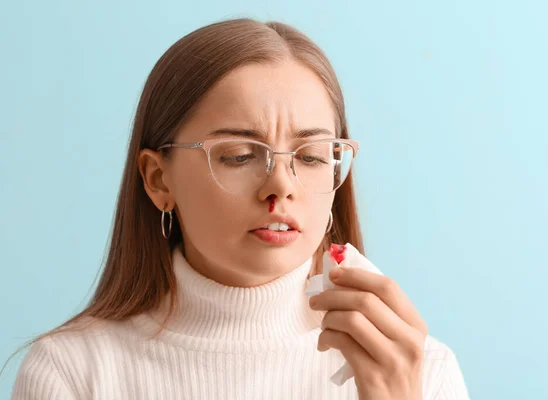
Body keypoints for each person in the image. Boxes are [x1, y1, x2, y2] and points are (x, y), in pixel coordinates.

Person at [11, 18, 469, 399]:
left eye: (311, 156)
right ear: (158, 179)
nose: (281, 186)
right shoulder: (71, 374)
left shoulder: (423, 372)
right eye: (238, 155)